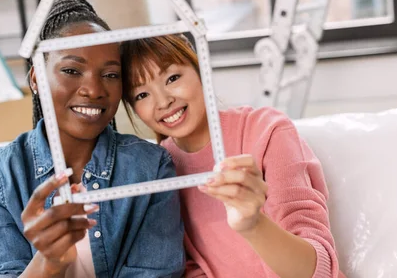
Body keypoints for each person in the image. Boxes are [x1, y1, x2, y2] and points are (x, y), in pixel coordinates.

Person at [0, 0, 185, 278]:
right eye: (71, 70)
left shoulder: (151, 168)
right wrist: (49, 263)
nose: (93, 89)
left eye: (110, 74)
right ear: (36, 79)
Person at [120, 34, 345, 278]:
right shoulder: (159, 170)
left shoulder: (266, 131)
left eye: (172, 78)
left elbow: (318, 270)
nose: (163, 101)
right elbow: (191, 269)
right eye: (142, 95)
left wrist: (253, 225)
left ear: (200, 69)